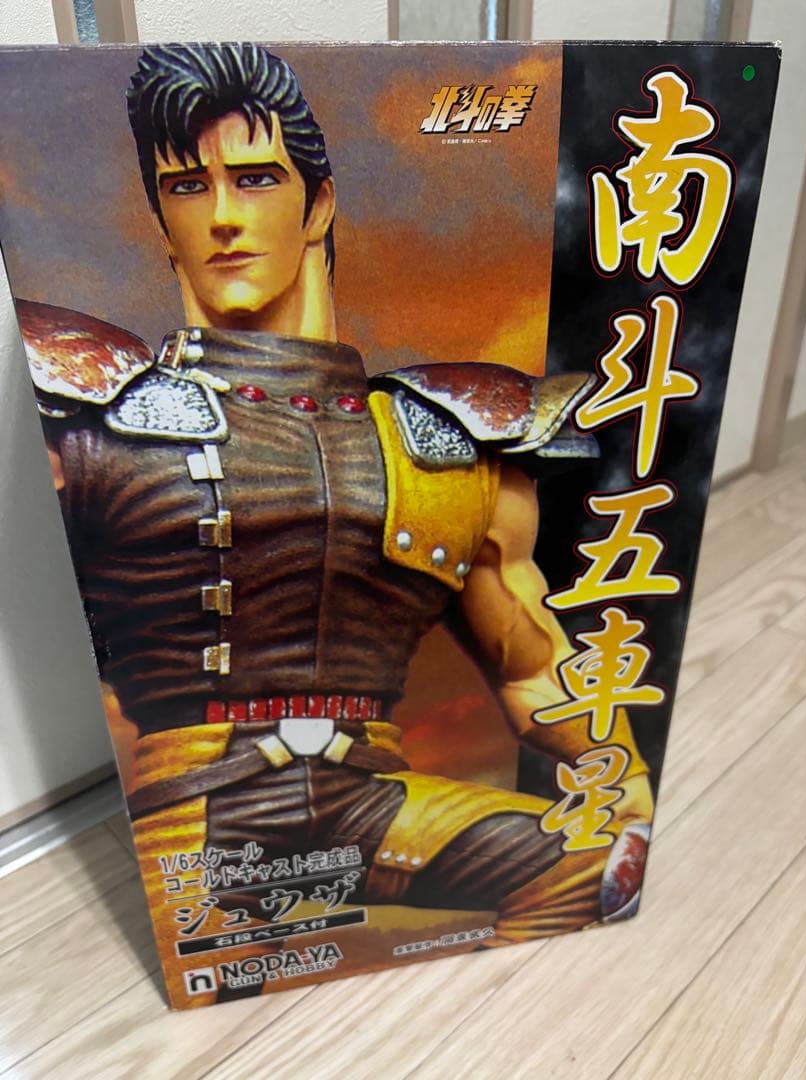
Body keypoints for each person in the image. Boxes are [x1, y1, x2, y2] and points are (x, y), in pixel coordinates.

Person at [21, 43, 653, 1004]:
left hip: (373, 802)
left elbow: (534, 666)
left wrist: (627, 793)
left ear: (317, 205)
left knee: (596, 867)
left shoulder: (442, 437)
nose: (223, 216)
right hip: (195, 814)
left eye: (256, 178)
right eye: (187, 187)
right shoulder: (97, 409)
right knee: (217, 993)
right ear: (162, 218)